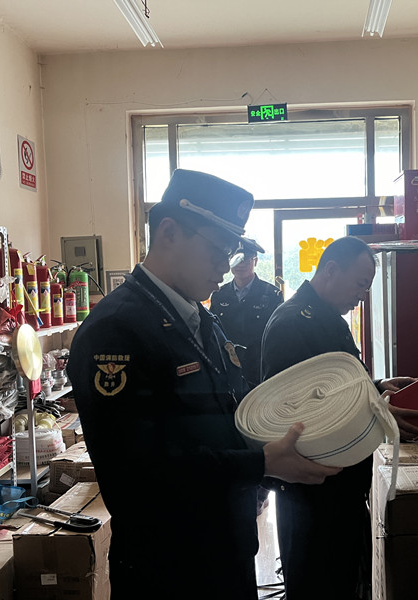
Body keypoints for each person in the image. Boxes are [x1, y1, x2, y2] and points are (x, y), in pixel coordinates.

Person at [67, 168, 341, 600]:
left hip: (224, 552)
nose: (224, 267)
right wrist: (260, 464)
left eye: (231, 253)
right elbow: (139, 473)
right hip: (168, 570)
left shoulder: (199, 319)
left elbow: (226, 413)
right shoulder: (116, 331)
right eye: (217, 250)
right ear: (169, 232)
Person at [260, 235, 418, 600]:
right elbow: (296, 412)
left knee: (342, 581)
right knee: (317, 586)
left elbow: (337, 386)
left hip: (340, 487)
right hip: (312, 493)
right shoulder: (292, 323)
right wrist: (375, 410)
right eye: (359, 284)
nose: (362, 296)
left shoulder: (326, 318)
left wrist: (377, 387)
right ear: (331, 270)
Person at [209, 246, 283, 389]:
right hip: (227, 366)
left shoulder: (272, 295)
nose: (240, 265)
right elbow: (213, 331)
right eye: (236, 260)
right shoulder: (219, 294)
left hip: (259, 368)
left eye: (246, 260)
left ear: (255, 261)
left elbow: (278, 337)